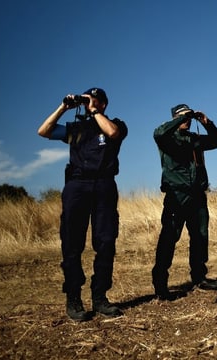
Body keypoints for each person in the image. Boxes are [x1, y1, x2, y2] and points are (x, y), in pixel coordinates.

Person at [37, 87, 128, 321]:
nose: (90, 104)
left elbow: (113, 133)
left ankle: (99, 297)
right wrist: (63, 107)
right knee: (71, 243)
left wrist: (95, 111)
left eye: (95, 100)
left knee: (106, 241)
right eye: (88, 100)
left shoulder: (115, 123)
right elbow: (43, 131)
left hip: (104, 186)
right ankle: (73, 297)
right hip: (77, 186)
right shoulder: (75, 129)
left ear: (104, 104)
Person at [152, 104, 217, 299]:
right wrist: (179, 120)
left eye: (188, 117)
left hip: (197, 196)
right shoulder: (167, 139)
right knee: (169, 237)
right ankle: (160, 283)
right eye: (182, 117)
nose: (187, 120)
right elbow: (158, 133)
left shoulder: (195, 139)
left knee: (200, 236)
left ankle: (199, 277)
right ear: (174, 118)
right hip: (177, 196)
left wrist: (207, 123)